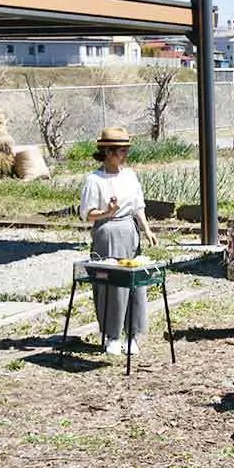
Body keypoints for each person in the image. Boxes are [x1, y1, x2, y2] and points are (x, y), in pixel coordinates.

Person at [78, 127, 157, 356]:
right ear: (109, 152)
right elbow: (87, 213)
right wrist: (107, 211)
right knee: (110, 285)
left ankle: (132, 334)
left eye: (126, 150)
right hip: (107, 233)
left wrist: (147, 230)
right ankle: (111, 335)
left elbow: (138, 207)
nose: (125, 155)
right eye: (121, 150)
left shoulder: (130, 175)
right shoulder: (94, 179)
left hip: (129, 232)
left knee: (134, 283)